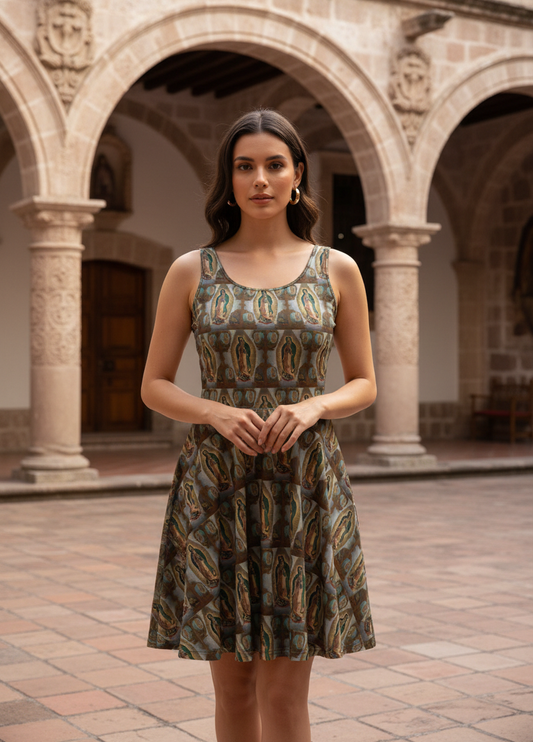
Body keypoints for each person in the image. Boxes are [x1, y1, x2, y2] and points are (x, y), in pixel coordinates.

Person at [141, 108, 376, 742]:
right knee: (234, 688)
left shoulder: (336, 268)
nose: (261, 179)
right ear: (229, 179)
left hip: (303, 484)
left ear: (298, 174)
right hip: (218, 486)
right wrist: (213, 410)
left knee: (284, 693)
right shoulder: (192, 269)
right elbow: (154, 384)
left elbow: (364, 382)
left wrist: (314, 406)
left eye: (275, 165)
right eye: (245, 166)